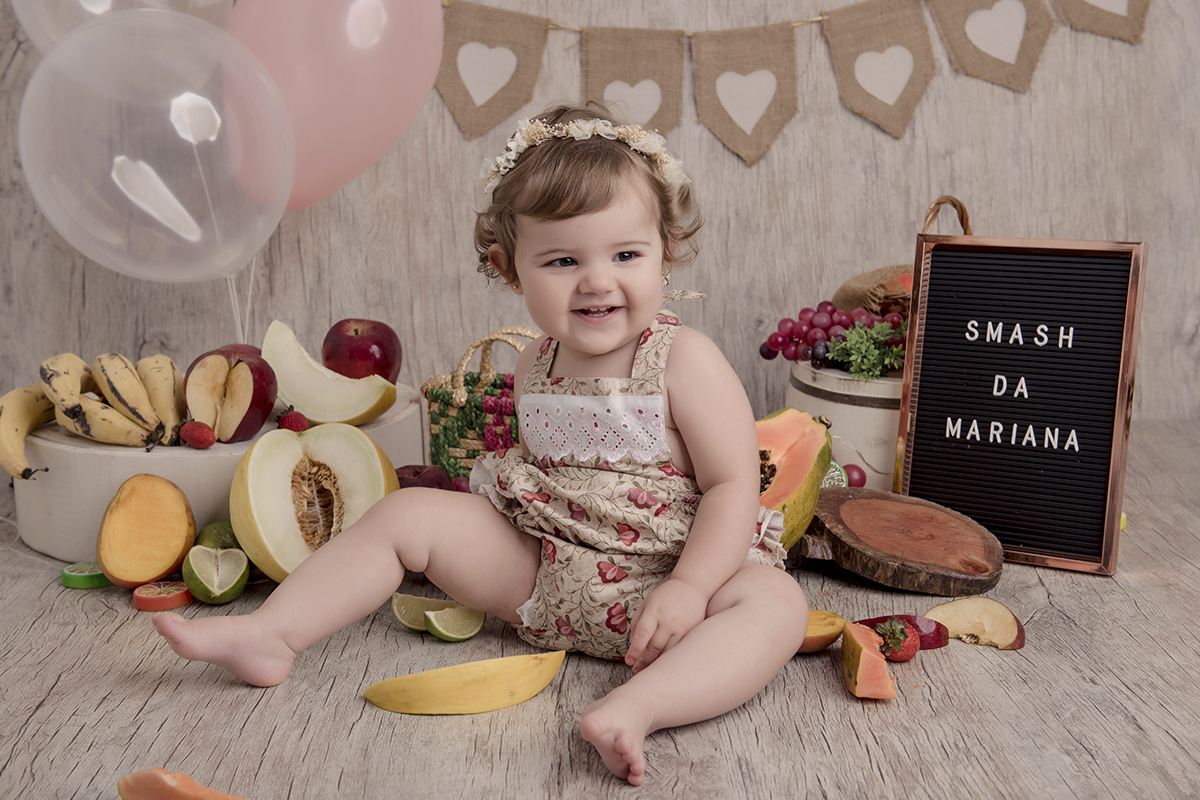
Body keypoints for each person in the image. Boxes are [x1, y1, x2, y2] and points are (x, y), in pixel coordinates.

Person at [154, 103, 808, 786]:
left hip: (673, 587)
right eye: (562, 259)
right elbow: (549, 490)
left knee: (774, 606)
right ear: (509, 268)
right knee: (409, 516)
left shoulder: (683, 360)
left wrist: (692, 587)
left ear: (665, 253)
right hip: (547, 576)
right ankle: (273, 634)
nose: (596, 279)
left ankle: (641, 705)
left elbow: (734, 485)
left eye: (625, 254)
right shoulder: (534, 366)